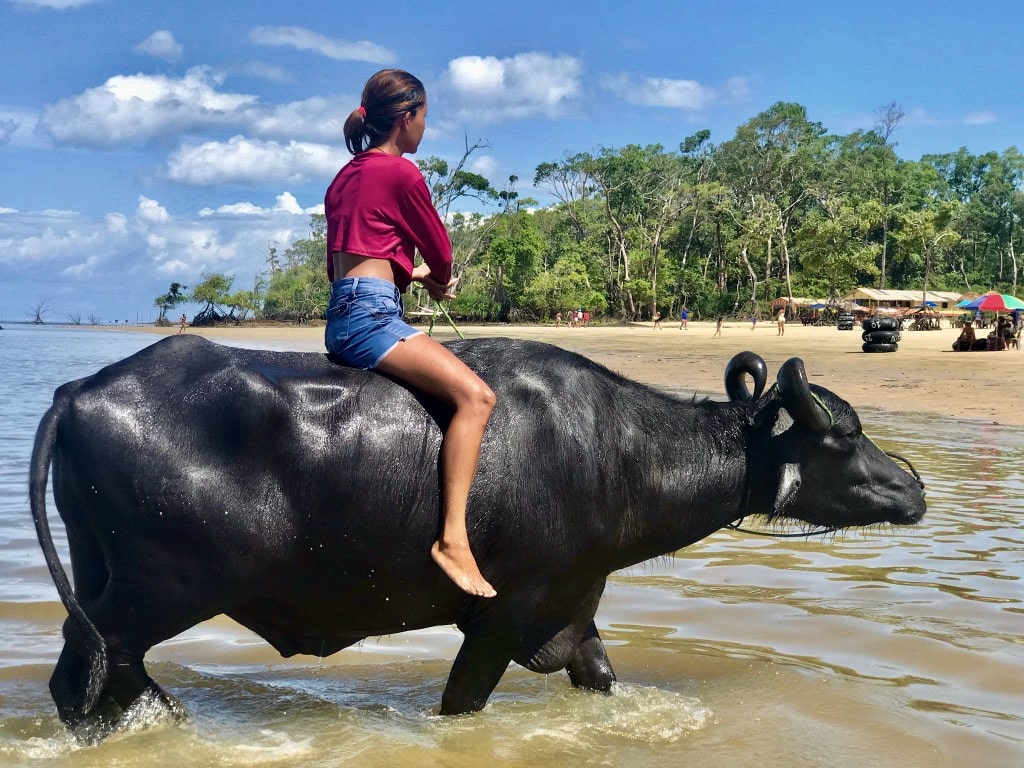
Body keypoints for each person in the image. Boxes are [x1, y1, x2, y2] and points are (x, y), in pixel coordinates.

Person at [323, 69, 496, 597]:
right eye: (424, 118)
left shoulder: (344, 177)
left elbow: (351, 262)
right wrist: (439, 279)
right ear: (406, 117)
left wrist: (411, 275)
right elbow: (440, 250)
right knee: (476, 397)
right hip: (373, 315)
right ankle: (453, 541)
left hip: (346, 309)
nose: (425, 128)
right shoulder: (402, 174)